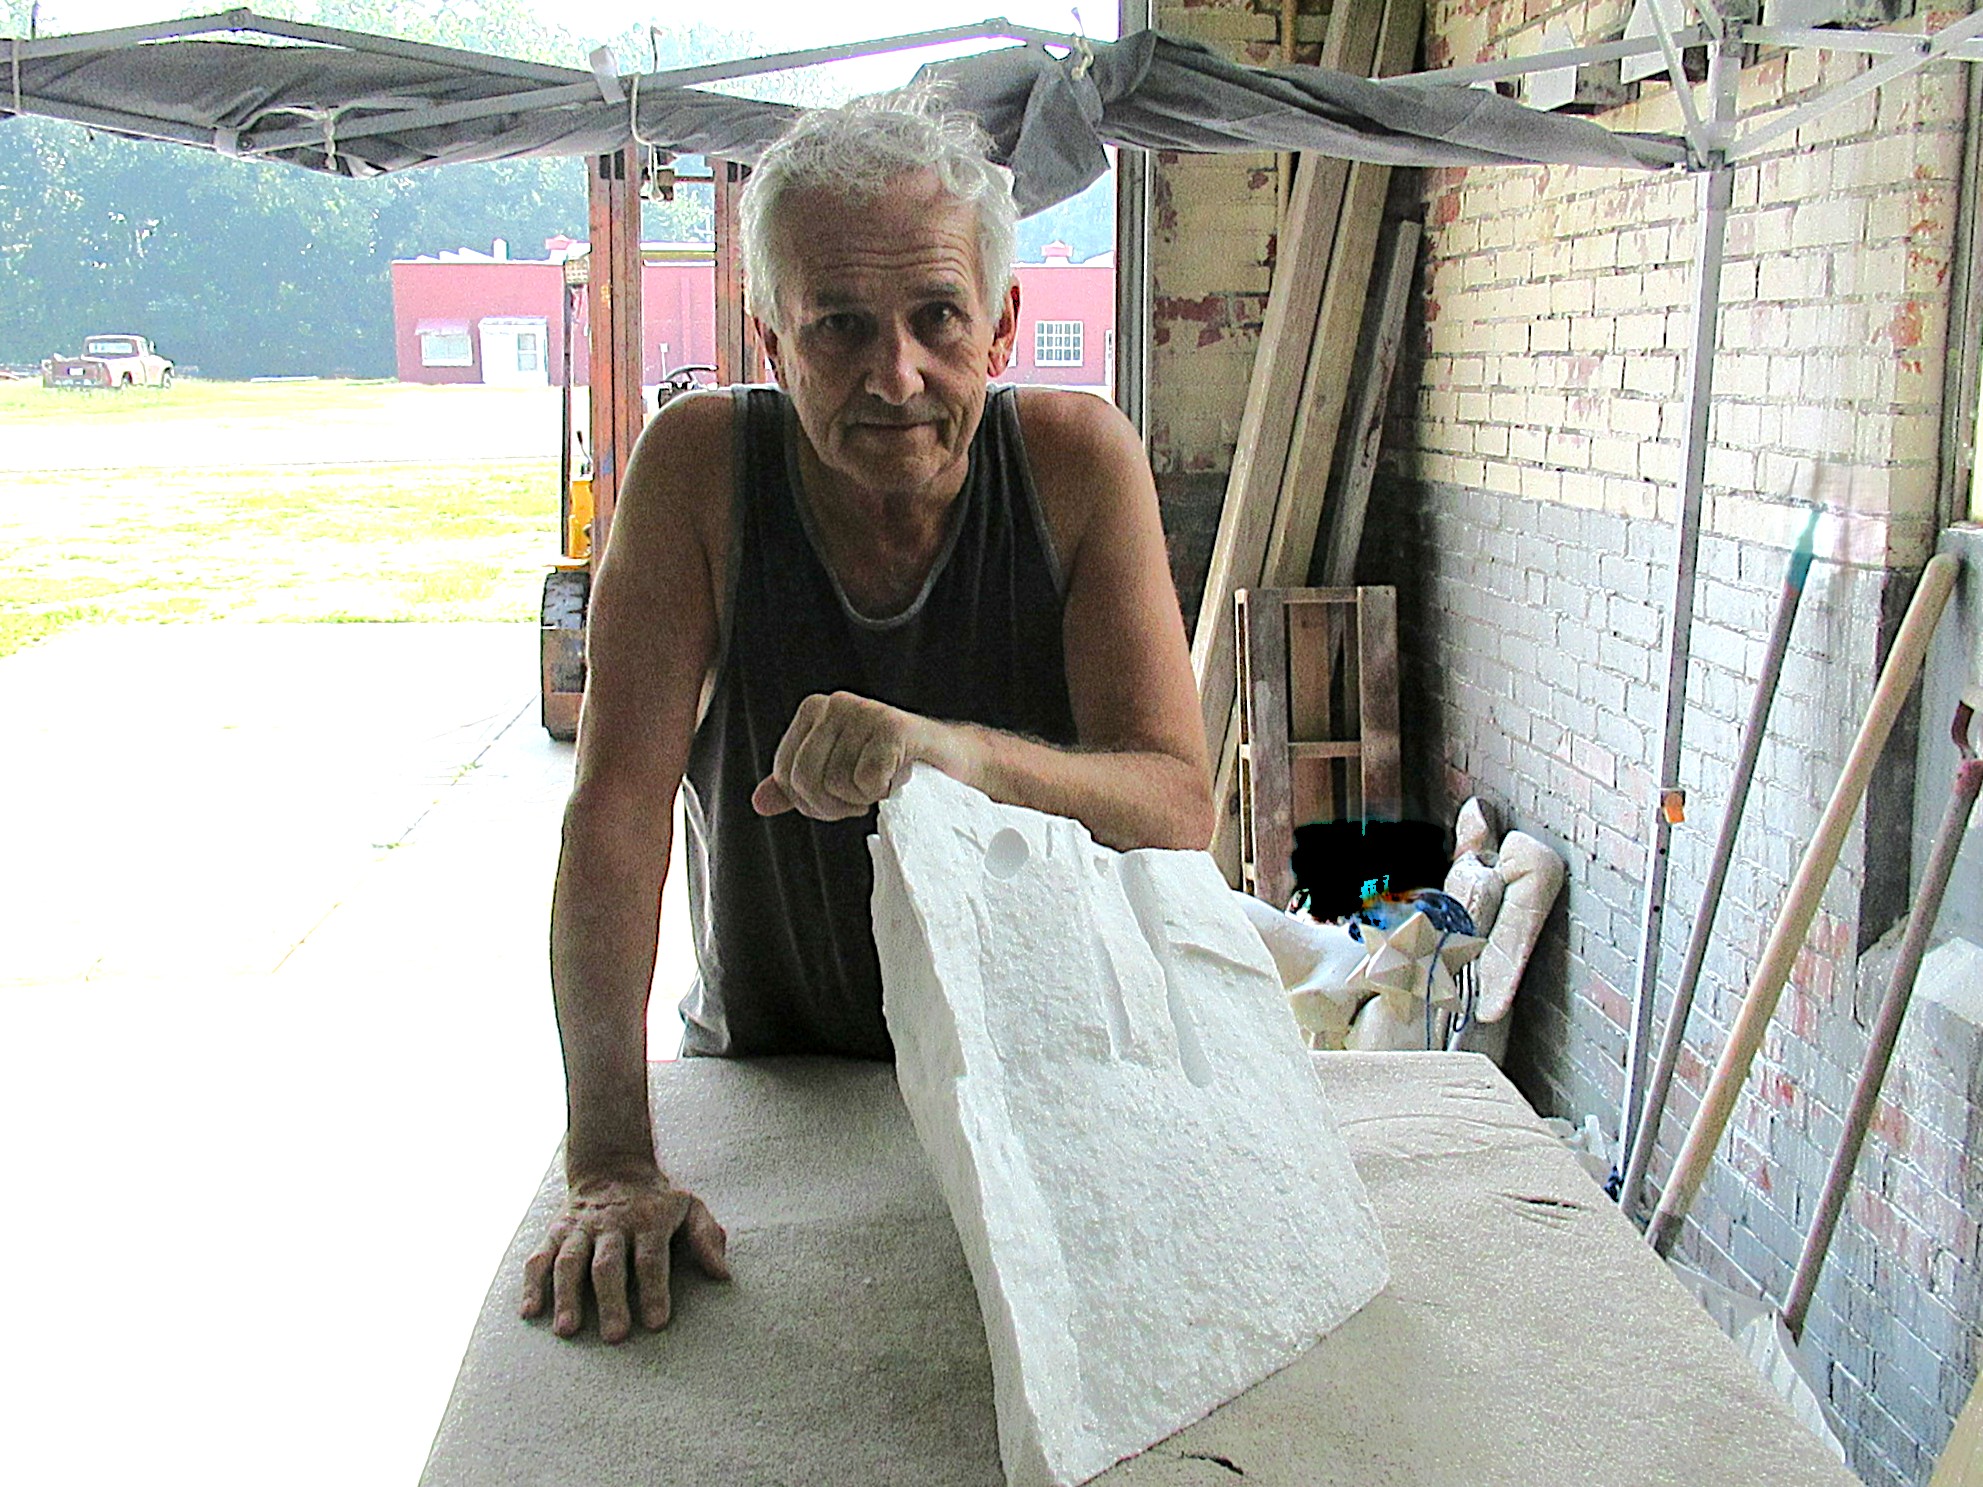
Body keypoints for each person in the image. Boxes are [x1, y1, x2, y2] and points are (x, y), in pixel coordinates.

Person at [519, 87, 1214, 1344]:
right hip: (782, 1072)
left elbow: (1176, 806)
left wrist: (948, 756)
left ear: (1003, 329)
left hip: (1046, 1067)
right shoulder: (700, 470)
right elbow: (613, 817)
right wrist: (611, 1157)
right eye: (839, 326)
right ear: (770, 340)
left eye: (937, 317)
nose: (898, 375)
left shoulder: (1073, 463)